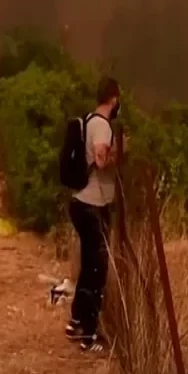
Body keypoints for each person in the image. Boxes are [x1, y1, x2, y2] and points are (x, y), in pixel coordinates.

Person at [65, 76, 123, 353]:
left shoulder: (88, 121)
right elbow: (100, 161)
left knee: (89, 265)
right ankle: (88, 333)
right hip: (92, 205)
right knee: (96, 270)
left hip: (80, 202)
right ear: (113, 98)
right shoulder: (102, 126)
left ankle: (75, 320)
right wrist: (120, 154)